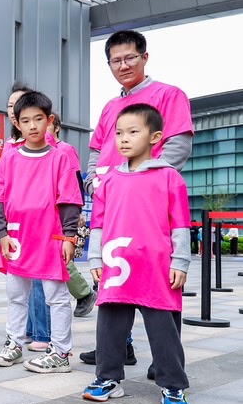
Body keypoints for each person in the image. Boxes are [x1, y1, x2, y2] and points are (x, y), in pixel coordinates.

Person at [80, 29, 194, 370]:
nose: (123, 65)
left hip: (149, 207)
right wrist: (92, 181)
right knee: (113, 279)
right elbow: (97, 149)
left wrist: (142, 182)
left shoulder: (169, 95)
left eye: (130, 57)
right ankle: (115, 348)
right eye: (115, 60)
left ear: (145, 57)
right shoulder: (110, 107)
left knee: (160, 285)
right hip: (112, 205)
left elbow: (178, 145)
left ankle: (166, 361)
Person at [83, 103, 191, 404]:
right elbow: (99, 223)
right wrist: (95, 259)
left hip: (157, 267)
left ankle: (173, 385)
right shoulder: (110, 181)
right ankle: (107, 379)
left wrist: (180, 262)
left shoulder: (169, 178)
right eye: (118, 133)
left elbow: (181, 224)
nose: (123, 139)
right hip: (117, 266)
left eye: (133, 132)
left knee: (163, 328)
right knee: (110, 325)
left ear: (156, 137)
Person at [0, 91, 82, 373]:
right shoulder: (9, 158)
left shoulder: (61, 155)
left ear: (49, 120)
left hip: (50, 237)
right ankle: (14, 343)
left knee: (57, 296)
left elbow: (70, 199)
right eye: (25, 120)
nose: (32, 126)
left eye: (38, 119)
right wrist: (1, 235)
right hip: (16, 238)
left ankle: (61, 352)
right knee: (16, 294)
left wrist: (69, 236)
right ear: (17, 123)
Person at [4, 83, 53, 353]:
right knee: (19, 286)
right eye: (10, 107)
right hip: (16, 227)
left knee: (42, 284)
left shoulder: (50, 147)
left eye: (18, 104)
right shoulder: (9, 147)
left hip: (42, 226)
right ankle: (22, 334)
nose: (14, 111)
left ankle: (46, 336)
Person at [48, 113, 98, 318]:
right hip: (45, 213)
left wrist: (76, 212)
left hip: (62, 212)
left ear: (56, 127)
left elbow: (76, 181)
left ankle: (84, 292)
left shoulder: (65, 150)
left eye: (47, 124)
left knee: (60, 256)